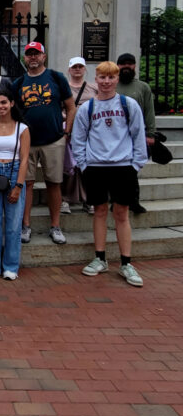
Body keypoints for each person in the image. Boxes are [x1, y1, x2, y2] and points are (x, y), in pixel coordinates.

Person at [72, 61, 148, 287]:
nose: (106, 82)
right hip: (95, 167)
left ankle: (126, 262)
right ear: (96, 79)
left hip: (123, 166)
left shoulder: (128, 104)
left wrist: (136, 165)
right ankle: (100, 258)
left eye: (110, 78)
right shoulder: (88, 108)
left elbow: (138, 135)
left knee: (122, 213)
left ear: (116, 79)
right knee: (99, 211)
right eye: (102, 78)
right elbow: (78, 139)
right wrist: (84, 164)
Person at [13, 42, 76, 245]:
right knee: (27, 184)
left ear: (43, 56)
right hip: (28, 141)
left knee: (54, 183)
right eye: (29, 54)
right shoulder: (18, 83)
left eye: (36, 54)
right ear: (24, 58)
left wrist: (67, 132)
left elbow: (71, 107)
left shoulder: (56, 78)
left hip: (54, 139)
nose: (33, 57)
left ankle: (55, 226)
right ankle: (26, 226)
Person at [0, 87, 30, 280]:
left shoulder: (22, 128)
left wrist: (18, 185)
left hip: (14, 170)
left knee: (13, 224)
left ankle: (10, 266)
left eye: (4, 102)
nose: (0, 106)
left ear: (11, 104)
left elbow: (25, 159)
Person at [116, 52, 157, 215]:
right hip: (115, 137)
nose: (126, 66)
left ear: (134, 66)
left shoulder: (143, 87)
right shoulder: (112, 85)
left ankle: (134, 201)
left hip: (136, 136)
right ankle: (117, 201)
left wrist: (151, 134)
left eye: (130, 63)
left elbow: (149, 111)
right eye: (123, 63)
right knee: (116, 171)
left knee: (131, 171)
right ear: (117, 66)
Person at [60, 56, 97, 215]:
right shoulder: (63, 88)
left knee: (88, 165)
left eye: (80, 67)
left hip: (90, 132)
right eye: (74, 67)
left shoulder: (93, 88)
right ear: (69, 69)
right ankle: (65, 199)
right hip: (68, 130)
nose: (77, 69)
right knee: (69, 166)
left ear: (85, 69)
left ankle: (89, 199)